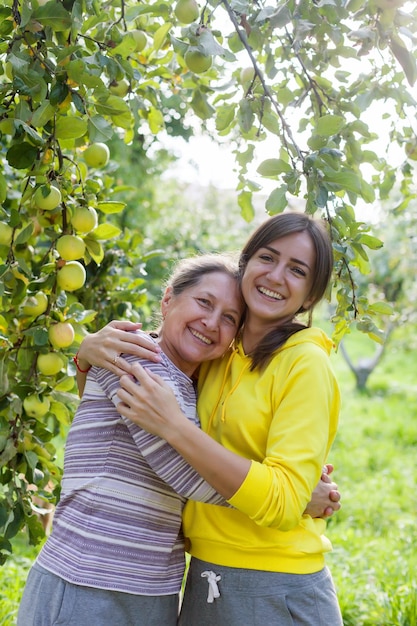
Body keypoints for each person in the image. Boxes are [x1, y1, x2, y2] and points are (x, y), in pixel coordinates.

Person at [74, 212, 344, 625]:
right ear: (246, 264)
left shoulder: (305, 365)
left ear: (310, 296)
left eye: (297, 270)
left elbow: (284, 501)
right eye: (267, 258)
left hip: (274, 585)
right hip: (203, 578)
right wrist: (87, 355)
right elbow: (133, 424)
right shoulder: (219, 354)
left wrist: (175, 427)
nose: (275, 276)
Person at [17, 254, 246, 626]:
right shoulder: (132, 351)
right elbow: (185, 472)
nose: (212, 322)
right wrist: (287, 494)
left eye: (230, 318)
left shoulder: (196, 389)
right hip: (86, 582)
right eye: (204, 302)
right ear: (168, 299)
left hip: (153, 588)